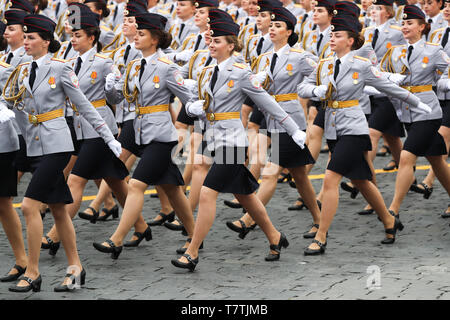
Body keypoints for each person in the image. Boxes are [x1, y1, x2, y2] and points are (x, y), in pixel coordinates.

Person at [171, 9, 307, 271]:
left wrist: (293, 129)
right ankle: (275, 237)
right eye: (210, 40)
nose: (211, 44)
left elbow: (268, 103)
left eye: (217, 41)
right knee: (245, 195)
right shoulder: (206, 70)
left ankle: (192, 250)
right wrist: (193, 109)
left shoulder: (242, 72)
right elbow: (198, 105)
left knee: (208, 192)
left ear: (231, 45)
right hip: (212, 137)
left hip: (233, 141)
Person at [2, 14, 121, 292]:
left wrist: (108, 136)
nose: (26, 42)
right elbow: (11, 100)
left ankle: (32, 271)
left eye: (32, 38)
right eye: (26, 37)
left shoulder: (61, 68)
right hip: (33, 146)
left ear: (46, 41)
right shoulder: (21, 70)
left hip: (57, 146)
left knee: (31, 206)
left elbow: (85, 105)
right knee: (58, 209)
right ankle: (76, 268)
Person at [298, 5, 430, 255]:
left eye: (338, 36)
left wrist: (417, 103)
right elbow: (302, 88)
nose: (332, 39)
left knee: (330, 178)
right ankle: (389, 221)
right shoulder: (324, 65)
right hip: (334, 128)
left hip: (354, 128)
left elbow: (388, 87)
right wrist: (314, 91)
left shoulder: (360, 65)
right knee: (361, 180)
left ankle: (322, 235)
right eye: (331, 35)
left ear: (350, 40)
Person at [93, 12, 196, 259]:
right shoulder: (133, 65)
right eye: (136, 33)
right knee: (172, 189)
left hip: (161, 135)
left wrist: (199, 113)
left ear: (155, 39)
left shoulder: (168, 68)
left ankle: (116, 239)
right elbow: (120, 100)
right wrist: (111, 88)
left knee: (137, 184)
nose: (136, 37)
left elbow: (189, 101)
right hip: (138, 132)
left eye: (141, 34)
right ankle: (195, 235)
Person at [225, 5, 322, 240]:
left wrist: (309, 89)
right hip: (271, 118)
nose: (273, 29)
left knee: (270, 173)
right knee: (300, 177)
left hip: (291, 121)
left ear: (289, 31)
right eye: (273, 25)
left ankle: (249, 219)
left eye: (278, 26)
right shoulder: (264, 58)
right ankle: (320, 219)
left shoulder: (299, 56)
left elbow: (323, 71)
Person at [40, 3, 130, 256]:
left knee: (76, 179)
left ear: (92, 37)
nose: (74, 39)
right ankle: (140, 225)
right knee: (114, 180)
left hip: (100, 129)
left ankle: (55, 235)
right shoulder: (70, 62)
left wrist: (113, 86)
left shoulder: (104, 62)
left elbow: (116, 98)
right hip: (79, 128)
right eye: (72, 35)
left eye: (79, 35)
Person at [383, 5, 450, 218]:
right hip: (407, 112)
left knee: (406, 156)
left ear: (422, 27)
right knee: (437, 160)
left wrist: (443, 83)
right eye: (403, 23)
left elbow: (447, 70)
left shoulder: (433, 50)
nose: (405, 27)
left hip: (428, 113)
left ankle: (393, 211)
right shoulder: (395, 52)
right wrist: (389, 78)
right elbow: (380, 73)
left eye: (410, 23)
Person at [410, 0, 450, 218]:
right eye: (447, 4)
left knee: (442, 136)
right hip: (439, 95)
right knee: (439, 145)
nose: (448, 9)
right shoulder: (437, 34)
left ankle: (427, 182)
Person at [0, 56, 28, 285]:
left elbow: (18, 105)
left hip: (2, 144)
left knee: (3, 202)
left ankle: (22, 260)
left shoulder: (5, 71)